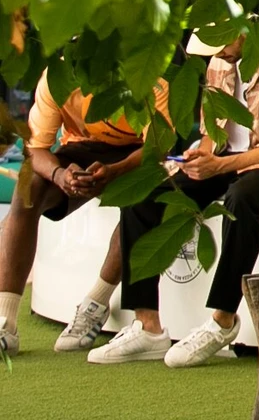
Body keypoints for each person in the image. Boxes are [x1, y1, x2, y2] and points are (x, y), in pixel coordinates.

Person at [84, 20, 259, 366]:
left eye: (222, 46)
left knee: (242, 198)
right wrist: (204, 154)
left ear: (242, 31)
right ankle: (147, 326)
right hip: (226, 159)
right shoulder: (220, 62)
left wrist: (222, 166)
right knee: (144, 196)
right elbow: (214, 130)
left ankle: (223, 320)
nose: (219, 55)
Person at [0, 75, 150, 358]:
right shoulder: (54, 77)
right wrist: (59, 175)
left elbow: (159, 144)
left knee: (140, 202)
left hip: (138, 154)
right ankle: (5, 325)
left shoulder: (143, 71)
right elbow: (37, 147)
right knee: (27, 188)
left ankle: (95, 304)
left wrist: (116, 171)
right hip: (81, 148)